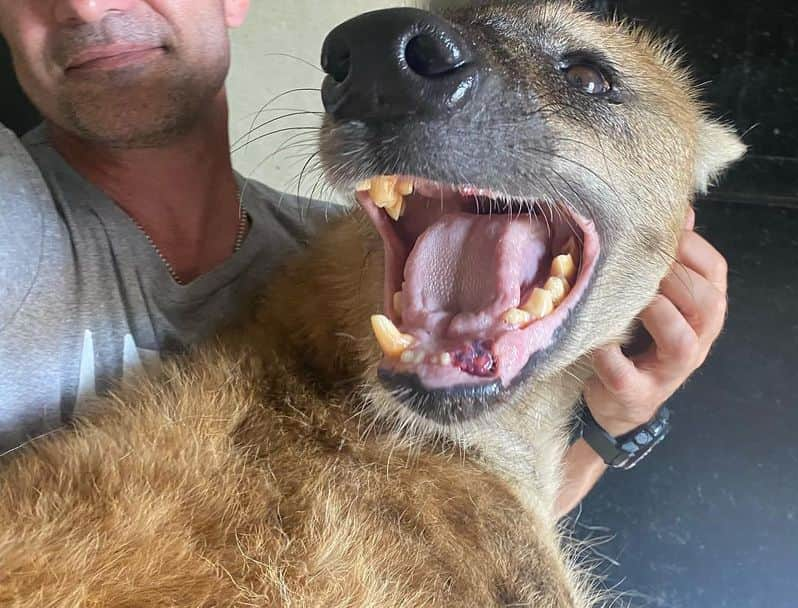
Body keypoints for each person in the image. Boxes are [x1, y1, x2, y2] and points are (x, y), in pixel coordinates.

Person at [0, 0, 729, 516]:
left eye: (584, 79)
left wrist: (611, 424)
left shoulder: (344, 261)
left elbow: (448, 557)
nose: (86, 6)